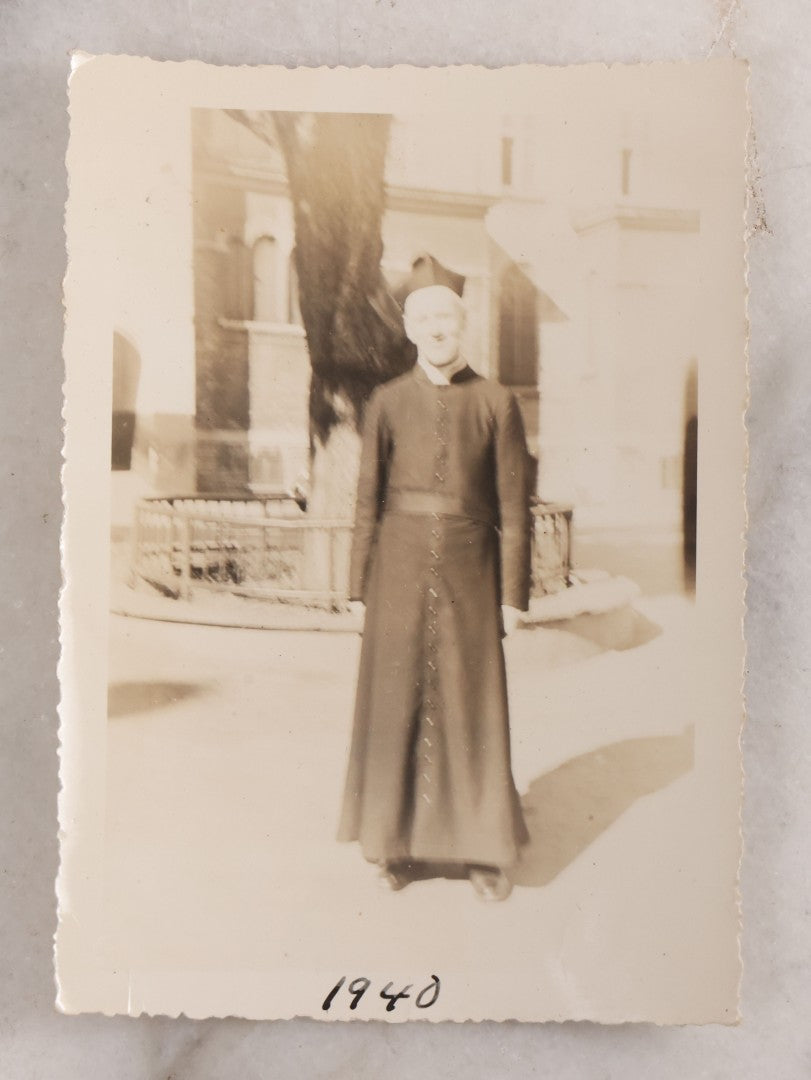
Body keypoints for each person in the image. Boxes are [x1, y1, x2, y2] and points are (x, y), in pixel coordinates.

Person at [337, 254, 532, 902]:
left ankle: (482, 852)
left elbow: (513, 507)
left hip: (470, 573)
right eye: (423, 318)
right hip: (395, 568)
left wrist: (513, 597)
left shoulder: (496, 402)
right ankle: (393, 845)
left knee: (469, 705)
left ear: (462, 321)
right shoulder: (387, 403)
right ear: (410, 328)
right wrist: (355, 588)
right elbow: (366, 497)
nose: (435, 327)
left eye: (445, 315)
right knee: (397, 704)